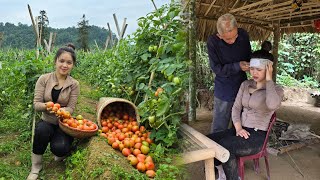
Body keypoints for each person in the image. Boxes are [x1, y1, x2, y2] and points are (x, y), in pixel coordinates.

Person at [207, 48, 284, 180]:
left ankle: (234, 178)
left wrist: (269, 80)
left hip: (257, 136)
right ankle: (222, 172)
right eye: (252, 68)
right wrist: (238, 128)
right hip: (240, 130)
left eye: (259, 70)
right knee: (210, 140)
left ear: (268, 70)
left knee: (226, 145)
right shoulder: (245, 84)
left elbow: (272, 105)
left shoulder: (276, 90)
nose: (254, 72)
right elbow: (236, 108)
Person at [27, 44, 80, 180]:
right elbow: (36, 104)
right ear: (55, 61)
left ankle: (59, 148)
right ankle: (36, 166)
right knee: (41, 130)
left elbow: (71, 108)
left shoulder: (74, 84)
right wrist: (47, 106)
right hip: (47, 121)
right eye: (61, 61)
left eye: (69, 62)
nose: (64, 65)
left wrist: (62, 111)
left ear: (73, 65)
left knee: (60, 150)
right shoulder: (44, 79)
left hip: (64, 123)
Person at [207, 13, 251, 134]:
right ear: (219, 35)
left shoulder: (243, 35)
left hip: (242, 86)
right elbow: (216, 68)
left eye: (234, 36)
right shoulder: (213, 42)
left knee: (240, 123)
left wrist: (250, 65)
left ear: (237, 30)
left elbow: (248, 56)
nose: (232, 41)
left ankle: (235, 148)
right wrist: (237, 66)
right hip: (224, 89)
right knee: (220, 125)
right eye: (227, 39)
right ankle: (217, 149)